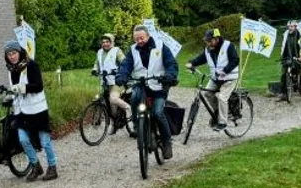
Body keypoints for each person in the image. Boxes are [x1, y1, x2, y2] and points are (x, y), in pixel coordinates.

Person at [115, 25, 178, 159]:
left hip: (159, 85)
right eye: (136, 39)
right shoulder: (132, 50)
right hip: (141, 84)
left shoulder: (160, 46)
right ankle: (137, 125)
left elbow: (171, 63)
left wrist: (170, 75)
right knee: (134, 98)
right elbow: (126, 65)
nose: (139, 41)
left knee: (158, 112)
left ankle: (167, 143)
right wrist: (121, 76)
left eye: (141, 38)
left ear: (148, 36)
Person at [5, 40, 58, 181]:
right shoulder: (11, 69)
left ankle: (52, 167)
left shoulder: (31, 65)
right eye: (9, 54)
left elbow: (39, 86)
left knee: (45, 141)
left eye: (14, 53)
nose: (12, 56)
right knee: (23, 140)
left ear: (20, 52)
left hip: (37, 109)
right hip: (22, 111)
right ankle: (36, 166)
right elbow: (13, 88)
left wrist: (23, 88)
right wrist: (9, 96)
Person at [187, 28, 242, 129]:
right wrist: (191, 63)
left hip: (229, 79)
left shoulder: (228, 46)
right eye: (207, 41)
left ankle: (223, 122)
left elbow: (235, 60)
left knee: (222, 97)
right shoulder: (208, 49)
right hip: (215, 79)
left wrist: (225, 71)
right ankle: (219, 112)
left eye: (210, 40)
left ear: (217, 39)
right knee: (207, 93)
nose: (208, 43)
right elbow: (201, 59)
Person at [91, 33, 131, 129]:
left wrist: (118, 71)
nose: (105, 44)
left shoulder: (117, 51)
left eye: (107, 42)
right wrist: (94, 70)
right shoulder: (99, 52)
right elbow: (97, 64)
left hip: (116, 81)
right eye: (103, 42)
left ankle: (128, 108)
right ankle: (114, 124)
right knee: (108, 104)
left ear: (111, 42)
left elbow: (124, 63)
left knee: (113, 99)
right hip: (104, 81)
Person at [278, 20, 301, 100]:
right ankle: (283, 94)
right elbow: (283, 48)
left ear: (295, 27)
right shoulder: (286, 36)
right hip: (288, 58)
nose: (290, 28)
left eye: (291, 26)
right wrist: (282, 57)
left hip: (299, 59)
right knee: (283, 75)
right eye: (288, 27)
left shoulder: (300, 36)